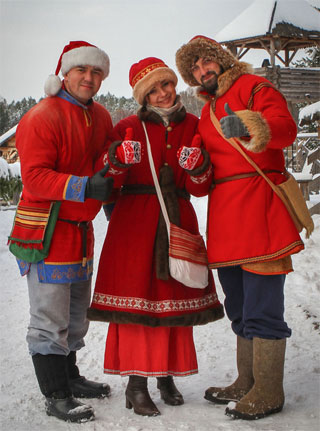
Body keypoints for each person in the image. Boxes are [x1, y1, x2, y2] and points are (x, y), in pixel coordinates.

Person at [175, 35, 305, 420]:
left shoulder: (254, 87)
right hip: (226, 218)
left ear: (221, 60)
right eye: (194, 69)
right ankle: (246, 379)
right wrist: (196, 167)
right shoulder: (206, 111)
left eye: (205, 63)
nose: (202, 71)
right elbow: (203, 178)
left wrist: (250, 125)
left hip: (261, 208)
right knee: (239, 302)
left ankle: (268, 389)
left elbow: (285, 128)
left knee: (264, 302)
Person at [87, 56, 224, 417]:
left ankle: (166, 376)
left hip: (177, 221)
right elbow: (108, 176)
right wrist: (117, 157)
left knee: (172, 297)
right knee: (137, 303)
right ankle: (136, 385)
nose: (164, 93)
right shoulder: (128, 126)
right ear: (142, 96)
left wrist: (198, 167)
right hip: (134, 226)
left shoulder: (195, 124)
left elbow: (201, 187)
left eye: (166, 84)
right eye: (154, 90)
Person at [9, 40, 115, 423]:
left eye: (96, 72)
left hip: (80, 231)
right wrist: (85, 186)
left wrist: (113, 166)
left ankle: (69, 376)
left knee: (75, 316)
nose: (89, 78)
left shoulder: (101, 115)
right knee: (49, 317)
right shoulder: (42, 116)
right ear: (65, 73)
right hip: (46, 231)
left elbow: (104, 157)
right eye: (81, 71)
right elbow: (35, 179)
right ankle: (55, 394)